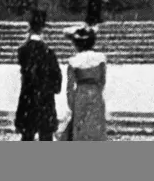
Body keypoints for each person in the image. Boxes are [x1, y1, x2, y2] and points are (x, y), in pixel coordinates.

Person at [14, 9, 62, 141]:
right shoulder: (48, 51)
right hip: (45, 97)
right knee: (46, 135)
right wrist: (53, 88)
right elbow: (56, 76)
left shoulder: (23, 50)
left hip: (28, 95)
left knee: (27, 134)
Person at [63, 25, 107, 141]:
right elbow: (102, 80)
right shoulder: (101, 58)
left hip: (81, 94)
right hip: (95, 93)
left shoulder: (73, 61)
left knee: (80, 127)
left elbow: (70, 86)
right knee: (96, 126)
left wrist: (71, 103)